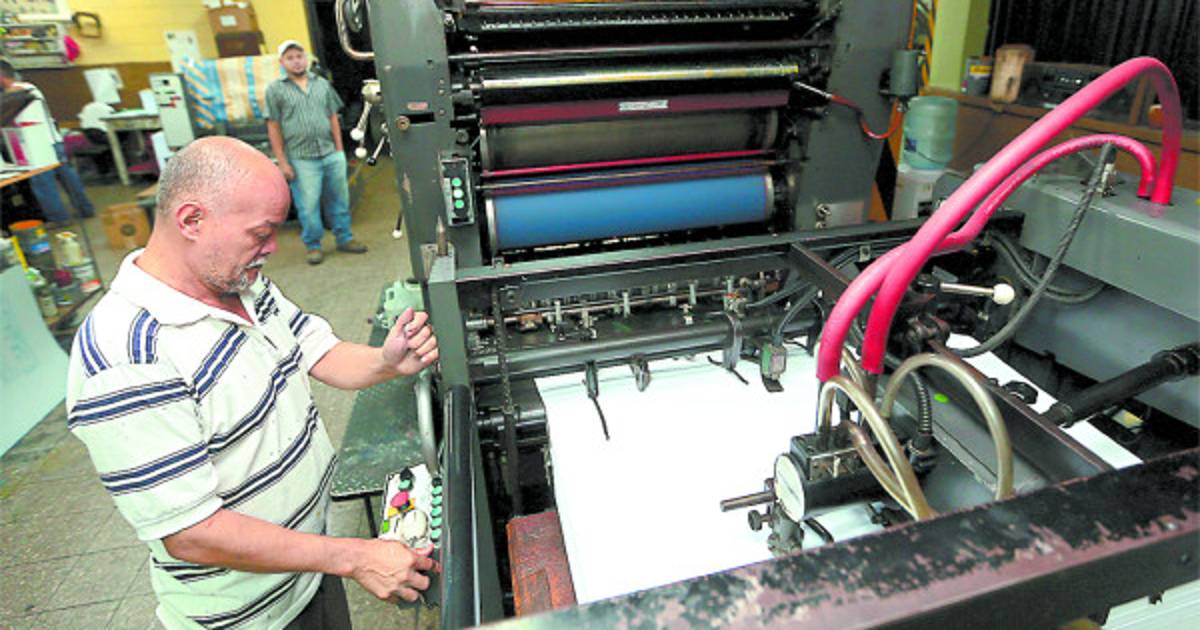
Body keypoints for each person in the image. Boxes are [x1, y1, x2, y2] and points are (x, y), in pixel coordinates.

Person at [66, 137, 439, 629]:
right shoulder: (127, 356)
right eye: (261, 233)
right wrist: (353, 557)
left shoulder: (240, 283)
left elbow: (315, 349)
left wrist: (386, 361)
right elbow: (191, 532)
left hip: (306, 568)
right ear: (191, 220)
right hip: (249, 616)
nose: (273, 248)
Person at [265, 40, 366, 265]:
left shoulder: (322, 85)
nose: (296, 61)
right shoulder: (275, 90)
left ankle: (344, 238)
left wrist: (340, 151)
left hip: (331, 153)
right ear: (282, 62)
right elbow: (273, 126)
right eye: (290, 58)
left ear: (306, 59)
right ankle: (313, 245)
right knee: (308, 205)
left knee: (340, 200)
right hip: (301, 158)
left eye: (299, 56)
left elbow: (333, 117)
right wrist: (282, 162)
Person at [0, 59, 96, 222]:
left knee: (43, 184)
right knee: (68, 178)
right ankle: (85, 209)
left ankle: (59, 219)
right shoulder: (29, 89)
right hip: (52, 141)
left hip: (38, 146)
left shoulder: (21, 91)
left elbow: (8, 106)